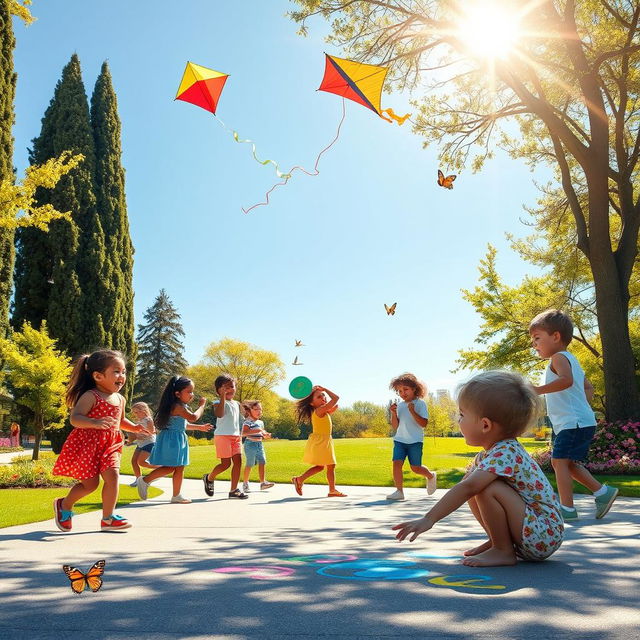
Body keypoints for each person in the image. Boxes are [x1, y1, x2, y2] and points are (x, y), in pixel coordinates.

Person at [393, 371, 564, 567]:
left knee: (482, 487)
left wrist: (429, 519)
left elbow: (469, 487)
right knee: (473, 484)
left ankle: (503, 550)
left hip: (543, 533)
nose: (458, 421)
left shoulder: (506, 452)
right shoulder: (490, 454)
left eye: (462, 415)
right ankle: (499, 541)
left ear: (485, 425)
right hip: (533, 532)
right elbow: (464, 487)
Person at [530, 309, 618, 521]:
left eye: (537, 338)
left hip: (573, 423)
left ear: (556, 336)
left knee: (559, 462)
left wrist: (536, 390)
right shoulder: (571, 359)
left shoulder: (559, 357)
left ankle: (567, 510)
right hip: (576, 421)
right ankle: (602, 493)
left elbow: (567, 381)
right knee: (567, 464)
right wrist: (581, 406)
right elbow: (588, 387)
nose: (534, 344)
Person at [52, 349, 152, 532]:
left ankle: (108, 518)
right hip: (88, 445)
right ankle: (64, 505)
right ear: (98, 376)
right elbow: (75, 418)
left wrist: (134, 428)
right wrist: (94, 422)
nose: (121, 376)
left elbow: (120, 421)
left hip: (111, 445)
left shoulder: (120, 399)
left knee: (113, 476)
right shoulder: (91, 396)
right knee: (90, 485)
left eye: (123, 372)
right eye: (116, 371)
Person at [135, 376, 213, 504]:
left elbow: (183, 424)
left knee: (180, 468)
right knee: (171, 467)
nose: (191, 395)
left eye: (192, 391)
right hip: (172, 440)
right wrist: (202, 406)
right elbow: (193, 417)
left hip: (177, 438)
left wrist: (200, 428)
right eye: (189, 391)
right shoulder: (177, 406)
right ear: (177, 393)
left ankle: (176, 495)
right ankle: (145, 480)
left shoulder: (178, 406)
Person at [386, 373, 436, 501]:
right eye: (399, 391)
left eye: (405, 389)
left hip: (415, 441)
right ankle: (399, 491)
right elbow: (395, 426)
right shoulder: (400, 405)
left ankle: (430, 476)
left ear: (414, 388)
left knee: (416, 468)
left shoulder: (420, 404)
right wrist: (392, 413)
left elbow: (424, 424)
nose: (403, 393)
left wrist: (413, 411)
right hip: (400, 440)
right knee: (396, 464)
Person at [291, 385, 346, 498]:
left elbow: (329, 410)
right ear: (312, 403)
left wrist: (331, 410)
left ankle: (300, 479)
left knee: (322, 466)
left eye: (323, 396)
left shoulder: (321, 411)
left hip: (323, 441)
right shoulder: (320, 410)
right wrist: (325, 389)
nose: (323, 398)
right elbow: (336, 398)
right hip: (322, 441)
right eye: (319, 397)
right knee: (330, 465)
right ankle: (331, 490)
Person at [202, 374, 247, 499]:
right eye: (226, 388)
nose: (230, 389)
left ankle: (234, 490)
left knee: (238, 462)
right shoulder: (217, 402)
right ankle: (209, 478)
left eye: (232, 386)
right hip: (222, 436)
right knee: (226, 464)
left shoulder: (237, 404)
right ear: (219, 390)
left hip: (236, 436)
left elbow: (239, 420)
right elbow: (220, 414)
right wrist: (222, 397)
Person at [241, 400, 275, 493]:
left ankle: (263, 483)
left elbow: (262, 432)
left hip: (259, 444)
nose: (259, 411)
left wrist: (266, 435)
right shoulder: (247, 422)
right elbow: (243, 433)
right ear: (250, 410)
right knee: (250, 464)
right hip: (250, 444)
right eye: (256, 409)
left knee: (262, 461)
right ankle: (245, 483)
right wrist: (255, 431)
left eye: (260, 409)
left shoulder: (261, 422)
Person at [127, 402, 157, 487]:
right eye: (134, 413)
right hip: (140, 443)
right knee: (134, 461)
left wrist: (141, 434)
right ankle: (138, 479)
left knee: (142, 462)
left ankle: (161, 468)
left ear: (143, 410)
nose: (135, 414)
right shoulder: (139, 420)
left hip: (149, 443)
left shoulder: (148, 419)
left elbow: (152, 432)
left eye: (136, 412)